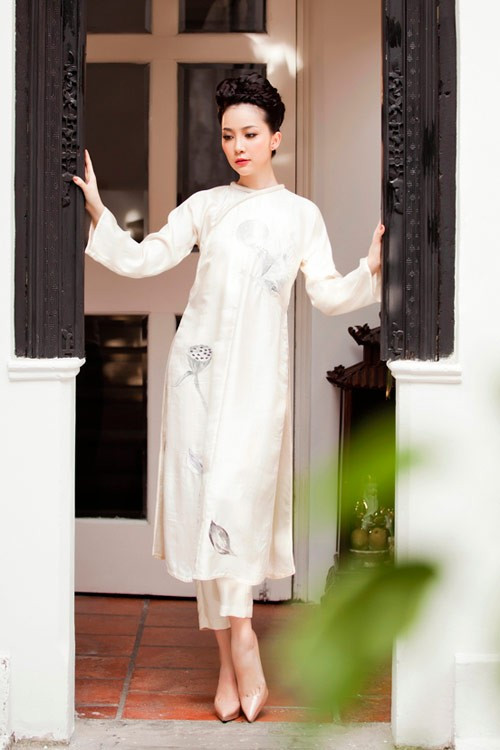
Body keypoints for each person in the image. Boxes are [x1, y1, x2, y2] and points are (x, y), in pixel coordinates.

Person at [73, 72, 384, 723]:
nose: (237, 147)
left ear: (275, 137)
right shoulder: (206, 206)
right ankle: (227, 656)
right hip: (198, 379)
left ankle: (242, 637)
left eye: (248, 134)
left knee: (237, 506)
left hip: (256, 386)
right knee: (205, 513)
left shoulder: (301, 216)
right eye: (226, 136)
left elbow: (328, 294)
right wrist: (100, 214)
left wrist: (372, 269)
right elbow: (147, 258)